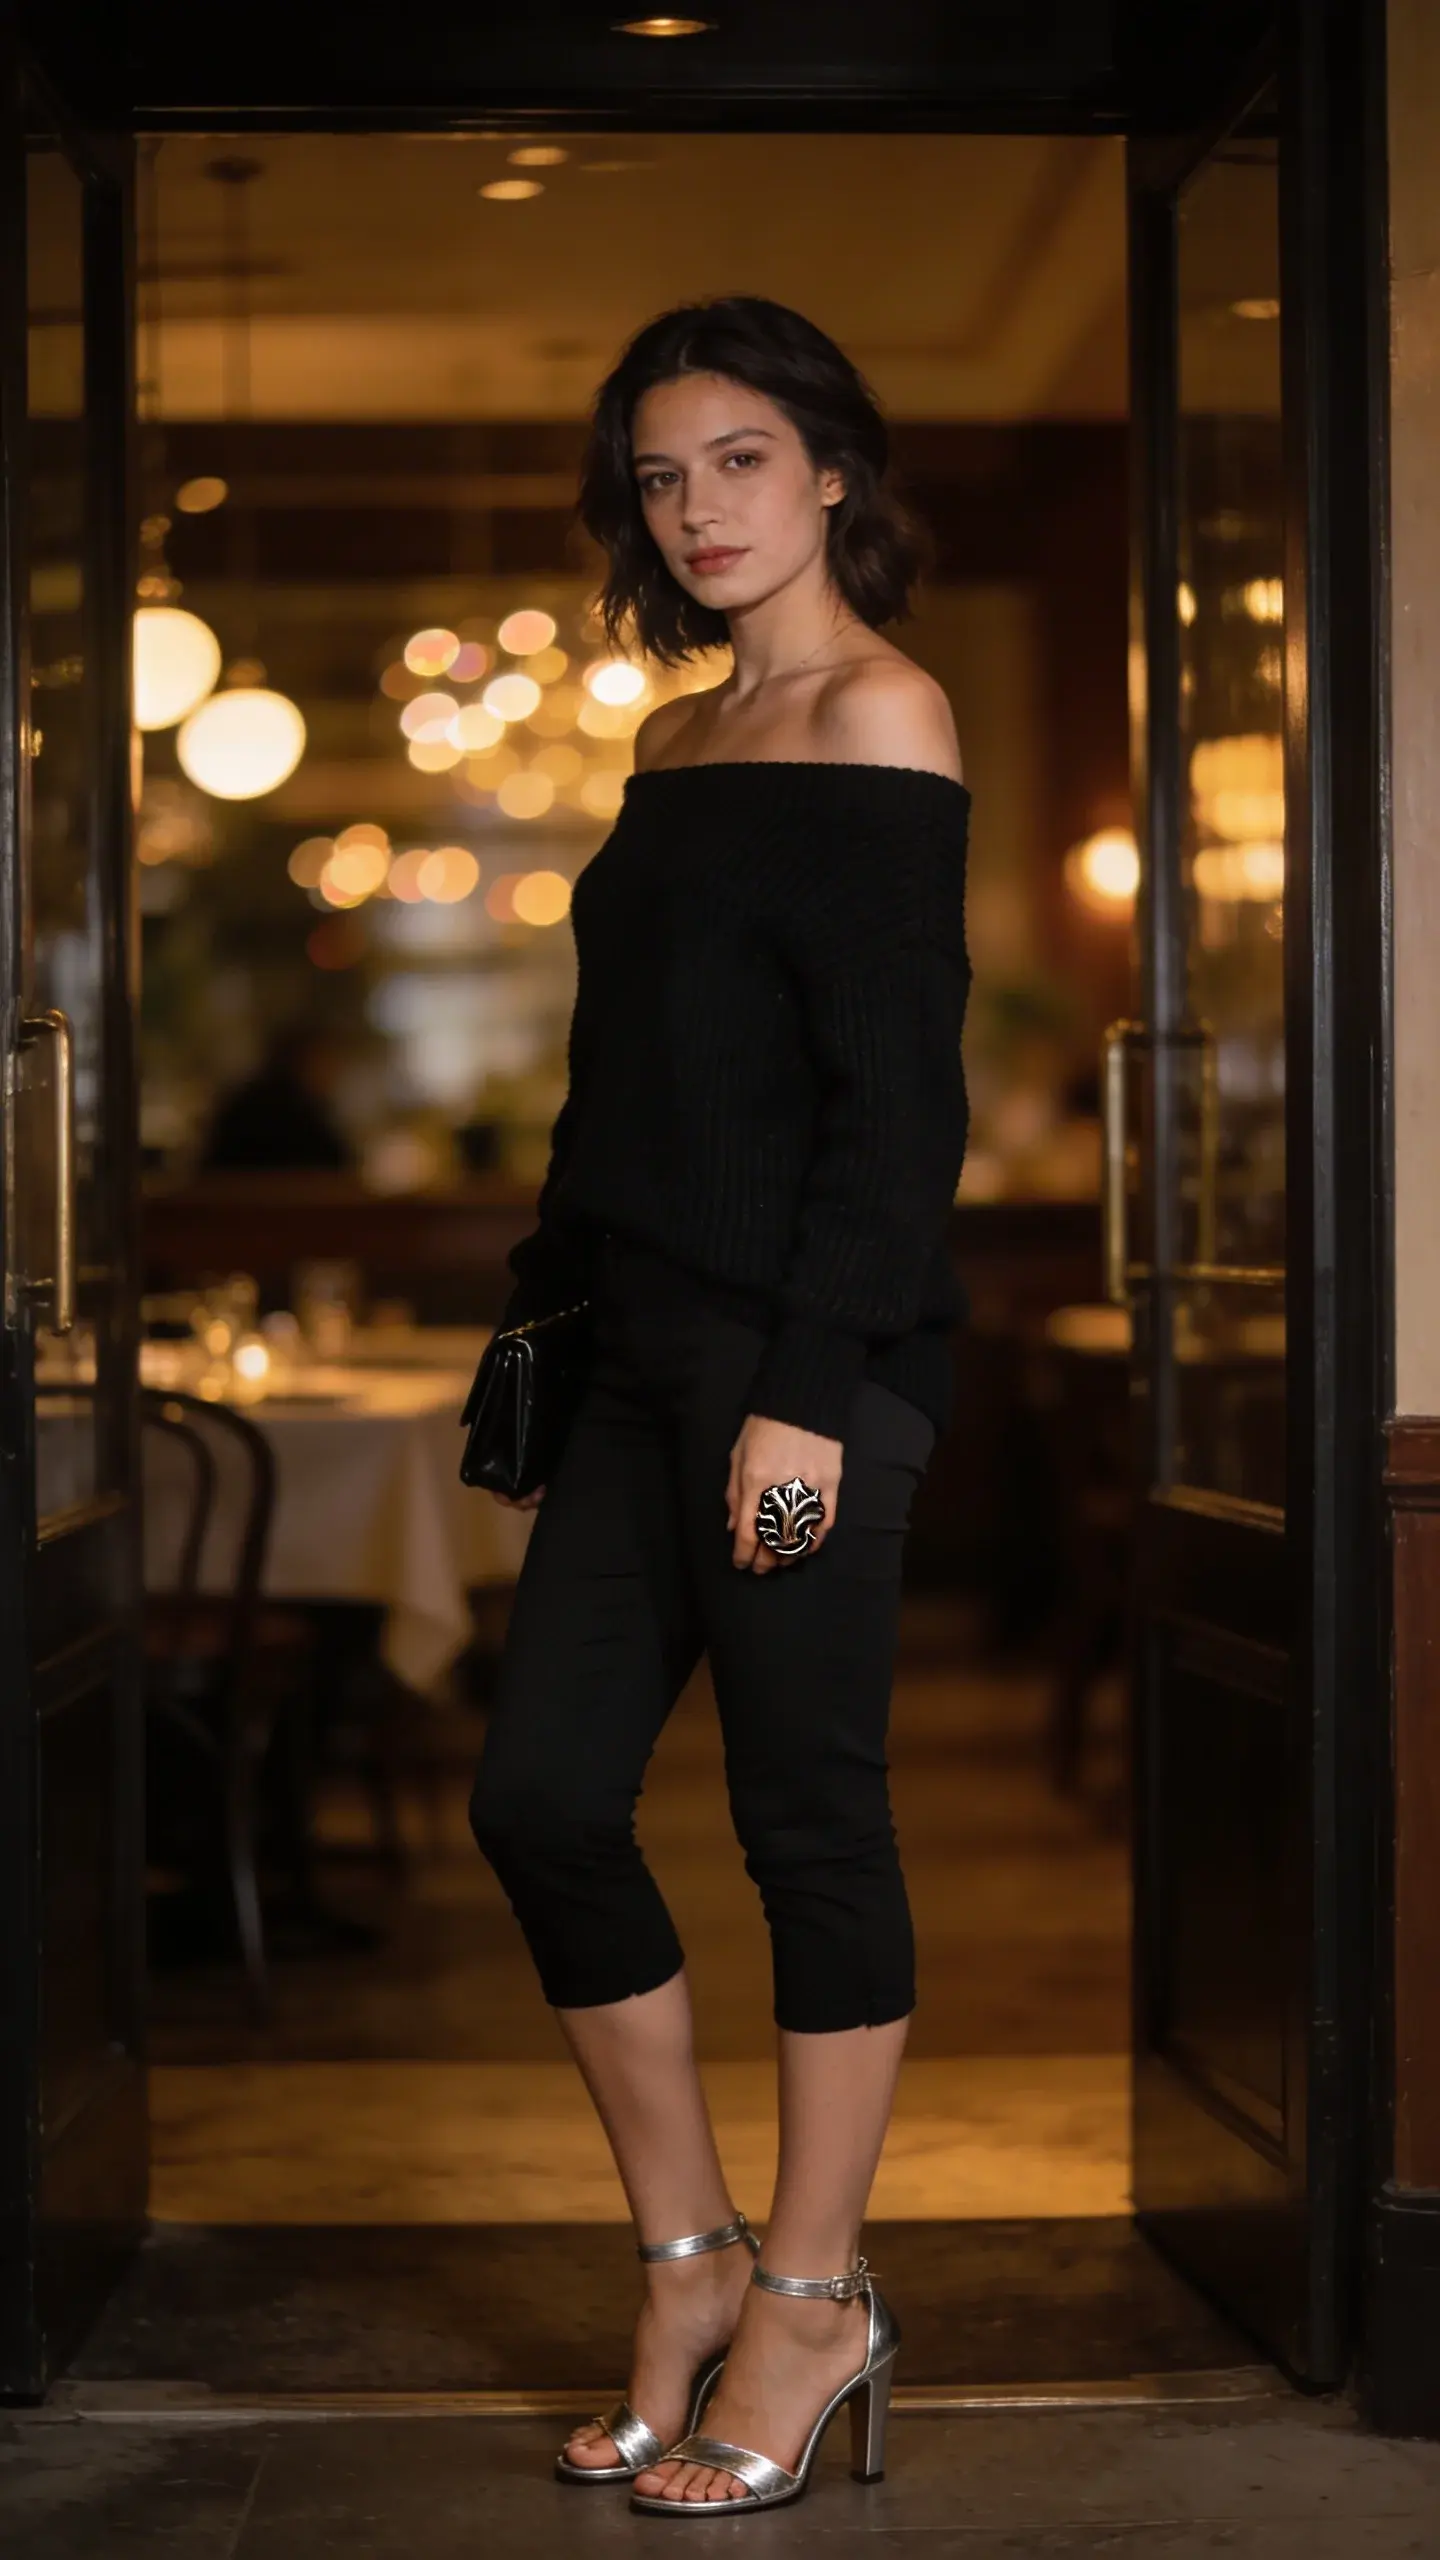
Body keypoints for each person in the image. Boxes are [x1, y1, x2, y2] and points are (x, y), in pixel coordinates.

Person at [468, 294, 971, 2516]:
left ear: (834, 470)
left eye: (740, 460)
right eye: (663, 477)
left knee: (804, 1817)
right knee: (543, 1794)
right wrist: (551, 1326)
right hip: (638, 1373)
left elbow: (897, 1114)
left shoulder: (887, 715)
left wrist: (808, 1396)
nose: (697, 510)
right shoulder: (671, 748)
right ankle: (689, 2255)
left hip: (804, 1392)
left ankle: (818, 2293)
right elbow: (632, 1094)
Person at [199, 1023, 354, 1173]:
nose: (335, 1073)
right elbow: (337, 1166)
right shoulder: (303, 1115)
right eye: (327, 1062)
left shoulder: (241, 1102)